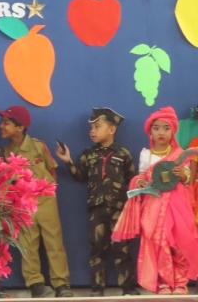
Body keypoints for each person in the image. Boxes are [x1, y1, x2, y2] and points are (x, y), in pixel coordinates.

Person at [112, 106, 198, 295]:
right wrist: (140, 181)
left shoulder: (180, 154)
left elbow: (187, 180)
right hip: (154, 206)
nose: (161, 132)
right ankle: (165, 282)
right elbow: (140, 177)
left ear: (173, 131)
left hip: (177, 207)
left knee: (179, 243)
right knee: (159, 243)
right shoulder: (146, 155)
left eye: (166, 128)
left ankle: (180, 282)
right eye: (156, 128)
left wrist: (182, 176)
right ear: (149, 131)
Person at [56, 108, 138, 297]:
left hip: (119, 209)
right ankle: (97, 288)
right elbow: (79, 175)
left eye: (97, 126)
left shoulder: (123, 154)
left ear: (112, 129)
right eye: (91, 127)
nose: (92, 131)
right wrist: (68, 161)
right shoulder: (89, 154)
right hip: (96, 208)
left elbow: (130, 178)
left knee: (122, 248)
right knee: (97, 248)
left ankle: (127, 287)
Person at [0, 105, 73, 298]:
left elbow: (51, 170)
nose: (1, 126)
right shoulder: (5, 154)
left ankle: (61, 283)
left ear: (20, 127)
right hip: (23, 205)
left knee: (54, 242)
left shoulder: (39, 146)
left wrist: (46, 193)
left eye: (6, 123)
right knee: (27, 244)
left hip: (46, 201)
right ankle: (36, 284)